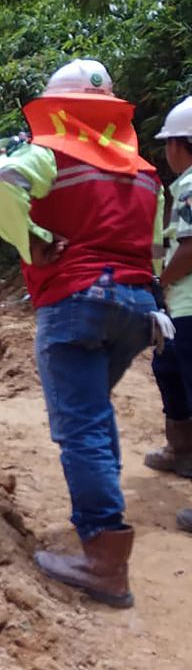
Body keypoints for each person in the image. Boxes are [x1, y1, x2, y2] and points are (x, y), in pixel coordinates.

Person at [0, 59, 167, 608]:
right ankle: (104, 532)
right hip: (136, 307)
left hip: (77, 301)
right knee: (94, 415)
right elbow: (155, 248)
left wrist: (31, 238)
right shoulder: (143, 170)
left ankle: (104, 560)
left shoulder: (50, 152)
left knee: (82, 426)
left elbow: (2, 182)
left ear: (57, 110)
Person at [148, 96, 192, 532]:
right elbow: (168, 243)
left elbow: (190, 249)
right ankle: (181, 451)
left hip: (188, 305)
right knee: (167, 370)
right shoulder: (179, 189)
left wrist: (161, 281)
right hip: (179, 309)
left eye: (169, 143)